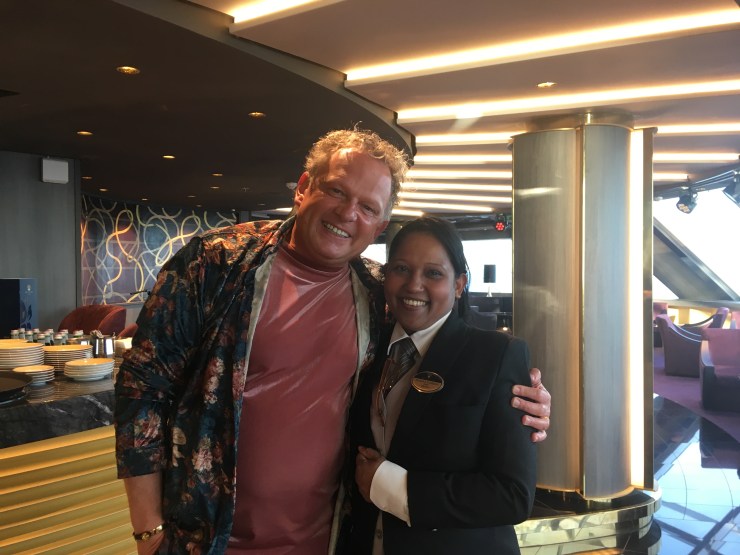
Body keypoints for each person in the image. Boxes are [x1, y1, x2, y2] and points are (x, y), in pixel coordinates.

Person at [114, 128, 550, 555]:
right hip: (207, 537)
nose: (347, 213)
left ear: (379, 225)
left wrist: (521, 401)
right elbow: (143, 387)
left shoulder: (377, 293)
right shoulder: (217, 263)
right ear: (304, 187)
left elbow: (452, 356)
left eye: (367, 206)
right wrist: (148, 528)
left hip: (331, 537)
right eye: (337, 191)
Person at [348, 216, 536, 554]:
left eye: (433, 273)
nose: (413, 285)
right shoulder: (366, 347)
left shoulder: (495, 356)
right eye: (401, 269)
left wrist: (390, 486)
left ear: (459, 284)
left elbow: (512, 495)